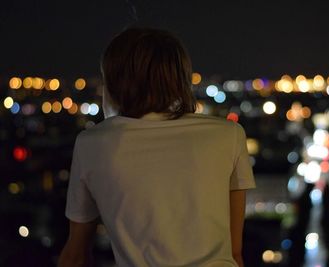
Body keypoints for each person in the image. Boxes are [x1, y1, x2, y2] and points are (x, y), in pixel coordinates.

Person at [58, 27, 256, 267]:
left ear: (115, 81)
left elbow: (75, 256)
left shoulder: (93, 144)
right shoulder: (229, 135)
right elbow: (234, 252)